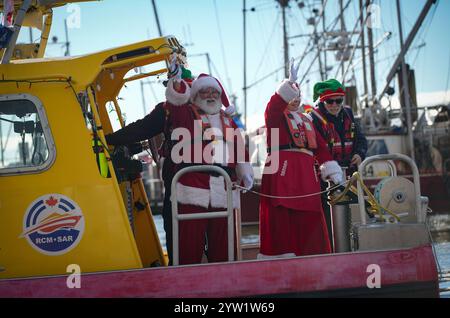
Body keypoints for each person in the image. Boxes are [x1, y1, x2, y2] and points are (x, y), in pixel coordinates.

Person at [105, 62, 194, 266]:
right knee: (202, 227)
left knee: (174, 223)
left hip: (179, 178)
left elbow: (143, 128)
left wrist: (109, 138)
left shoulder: (169, 109)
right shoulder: (207, 108)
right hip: (211, 181)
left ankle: (177, 269)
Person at [163, 67, 253, 265]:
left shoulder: (229, 121)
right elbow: (176, 102)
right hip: (193, 186)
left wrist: (245, 174)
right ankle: (186, 283)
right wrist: (176, 82)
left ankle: (224, 281)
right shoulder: (186, 115)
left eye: (215, 92)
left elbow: (239, 149)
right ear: (195, 94)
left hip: (223, 186)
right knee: (189, 243)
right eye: (205, 92)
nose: (211, 96)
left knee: (223, 243)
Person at [259, 59, 343, 258]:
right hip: (283, 173)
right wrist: (288, 84)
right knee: (284, 217)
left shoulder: (307, 119)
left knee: (310, 216)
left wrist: (332, 170)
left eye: (298, 94)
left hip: (306, 175)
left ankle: (314, 256)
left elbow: (320, 148)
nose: (295, 99)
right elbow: (274, 106)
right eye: (291, 95)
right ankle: (284, 257)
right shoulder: (275, 117)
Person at [308, 79, 368, 250]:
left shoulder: (348, 114)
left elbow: (361, 139)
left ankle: (352, 247)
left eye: (338, 101)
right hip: (323, 180)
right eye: (330, 101)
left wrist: (359, 153)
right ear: (322, 101)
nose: (335, 105)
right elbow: (315, 148)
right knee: (327, 218)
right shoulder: (313, 119)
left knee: (352, 212)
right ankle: (330, 251)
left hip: (348, 175)